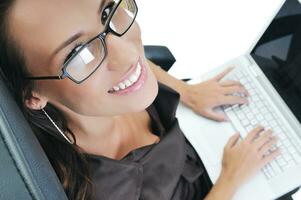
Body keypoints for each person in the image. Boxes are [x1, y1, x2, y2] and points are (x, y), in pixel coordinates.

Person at [0, 0, 282, 199]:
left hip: (200, 146)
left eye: (107, 12)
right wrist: (231, 179)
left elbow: (132, 57)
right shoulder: (105, 187)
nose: (128, 53)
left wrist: (188, 92)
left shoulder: (107, 86)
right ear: (32, 95)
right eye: (78, 54)